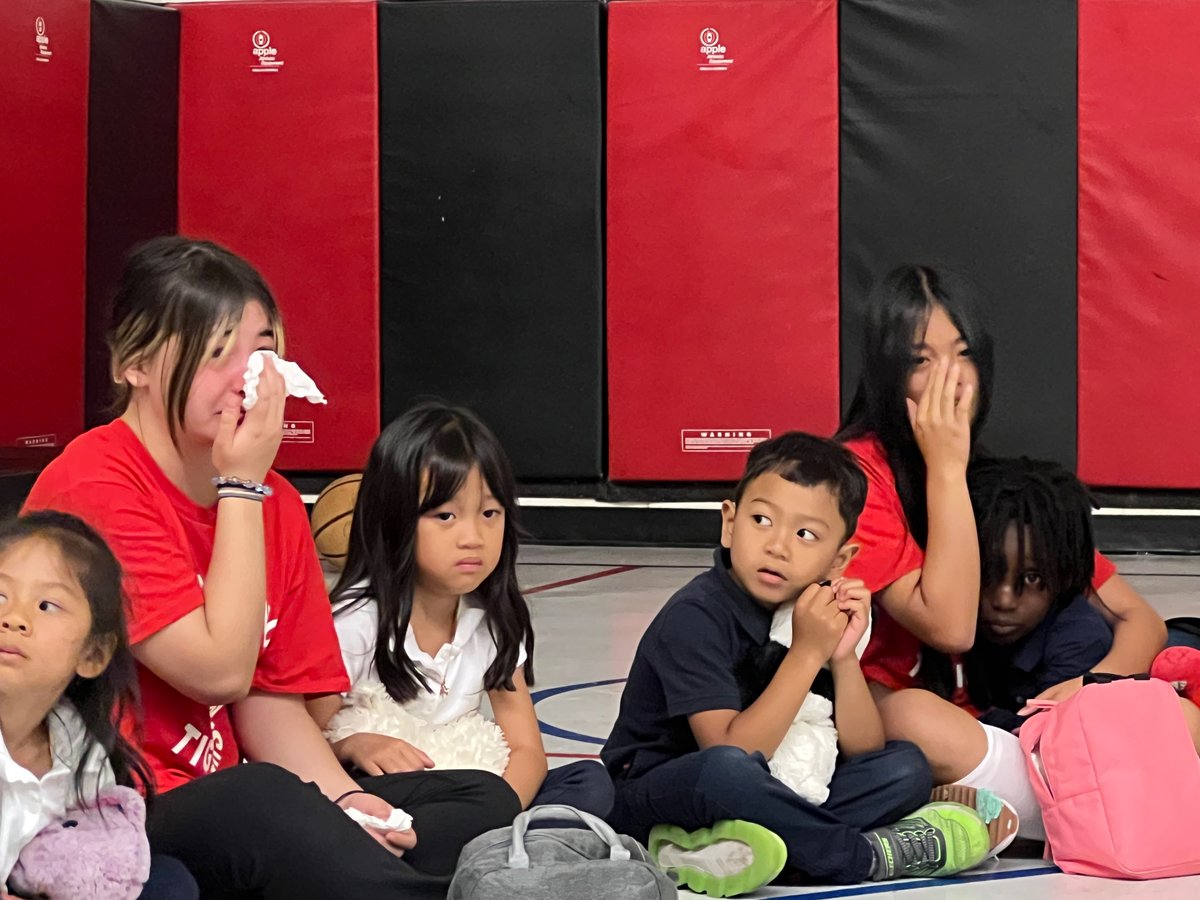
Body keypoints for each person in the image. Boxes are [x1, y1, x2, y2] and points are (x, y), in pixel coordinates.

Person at [23, 236, 518, 899]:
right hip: (108, 802)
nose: (246, 376)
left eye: (258, 349)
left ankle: (365, 869)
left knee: (476, 797)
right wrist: (241, 488)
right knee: (263, 800)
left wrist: (345, 801)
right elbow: (220, 672)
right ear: (134, 364)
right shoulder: (98, 485)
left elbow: (268, 700)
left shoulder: (275, 501)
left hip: (227, 793)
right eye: (215, 352)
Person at [836, 264, 1166, 835]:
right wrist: (944, 468)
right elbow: (951, 628)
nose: (951, 380)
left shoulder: (991, 474)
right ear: (887, 373)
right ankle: (1082, 799)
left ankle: (1058, 786)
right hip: (892, 715)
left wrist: (1096, 691)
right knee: (913, 720)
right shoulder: (854, 475)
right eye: (921, 360)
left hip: (1002, 717)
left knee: (1173, 710)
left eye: (962, 354)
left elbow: (1138, 618)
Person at [602, 433, 1002, 897]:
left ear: (840, 560)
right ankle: (862, 855)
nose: (777, 546)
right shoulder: (697, 615)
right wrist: (807, 653)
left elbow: (864, 750)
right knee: (727, 773)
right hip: (661, 788)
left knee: (905, 767)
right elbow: (731, 748)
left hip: (768, 790)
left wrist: (843, 655)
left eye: (805, 534)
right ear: (729, 524)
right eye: (761, 520)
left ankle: (739, 850)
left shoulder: (810, 610)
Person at [310, 401, 612, 817]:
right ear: (393, 519)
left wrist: (496, 811)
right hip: (383, 794)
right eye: (446, 515)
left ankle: (485, 848)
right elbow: (304, 745)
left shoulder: (494, 620)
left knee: (589, 782)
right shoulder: (354, 623)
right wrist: (353, 746)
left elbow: (527, 750)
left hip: (471, 794)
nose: (473, 537)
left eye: (490, 513)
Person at [0, 512, 196, 899]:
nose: (13, 619)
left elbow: (89, 852)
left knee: (170, 882)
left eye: (46, 606)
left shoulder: (76, 743)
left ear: (93, 653)